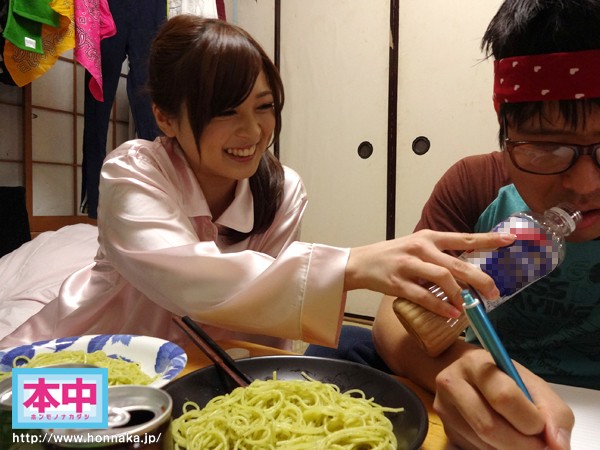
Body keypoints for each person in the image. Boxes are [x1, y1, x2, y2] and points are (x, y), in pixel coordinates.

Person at [0, 15, 512, 351]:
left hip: (199, 369)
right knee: (42, 429)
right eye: (225, 111)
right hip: (89, 358)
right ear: (165, 117)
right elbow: (187, 281)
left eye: (264, 107)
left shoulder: (282, 189)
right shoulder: (132, 170)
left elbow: (262, 310)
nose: (252, 133)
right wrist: (351, 266)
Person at [373, 0, 600, 448]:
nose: (584, 184)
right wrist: (456, 367)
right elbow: (391, 318)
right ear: (505, 135)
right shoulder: (476, 185)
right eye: (546, 149)